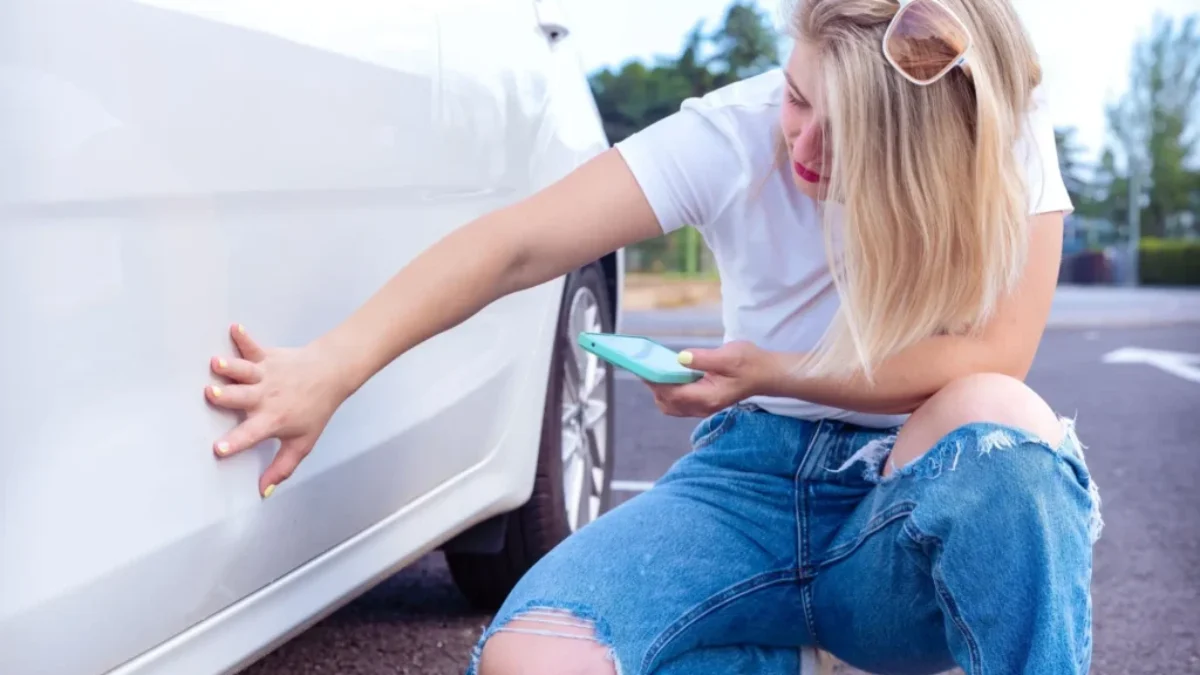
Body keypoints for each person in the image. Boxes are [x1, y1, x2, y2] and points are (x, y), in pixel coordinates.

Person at [204, 0, 1103, 672]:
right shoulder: (733, 131)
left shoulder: (1003, 133)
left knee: (1006, 428)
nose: (805, 145)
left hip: (904, 508)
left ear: (925, 145)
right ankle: (758, 652)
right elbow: (516, 246)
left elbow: (994, 356)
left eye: (849, 133)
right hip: (745, 481)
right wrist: (335, 362)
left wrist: (770, 369)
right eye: (798, 99)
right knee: (531, 660)